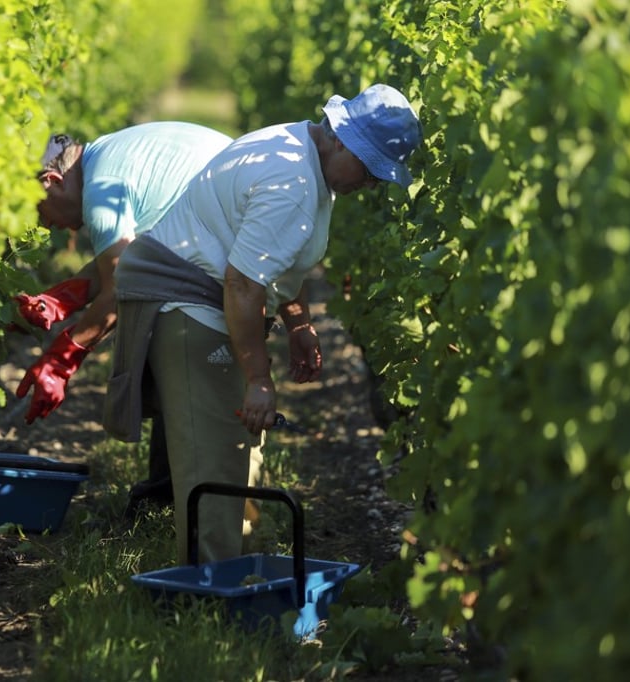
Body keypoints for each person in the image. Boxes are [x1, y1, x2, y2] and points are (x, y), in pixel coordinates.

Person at [103, 84, 423, 564]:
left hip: (205, 293)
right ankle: (211, 595)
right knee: (218, 455)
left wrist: (298, 324)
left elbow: (273, 258)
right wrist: (259, 378)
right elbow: (243, 285)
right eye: (371, 168)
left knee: (239, 440)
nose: (373, 183)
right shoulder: (292, 183)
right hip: (190, 302)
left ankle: (243, 561)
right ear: (341, 139)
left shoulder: (303, 149)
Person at [11, 122, 233, 515]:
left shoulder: (102, 190)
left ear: (50, 181)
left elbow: (122, 288)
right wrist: (64, 298)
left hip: (231, 235)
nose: (47, 225)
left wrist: (62, 360)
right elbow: (134, 257)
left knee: (169, 335)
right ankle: (166, 496)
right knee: (176, 356)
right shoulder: (105, 156)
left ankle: (177, 501)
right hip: (229, 214)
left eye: (38, 211)